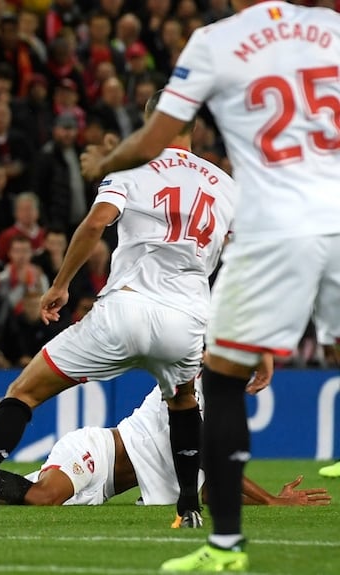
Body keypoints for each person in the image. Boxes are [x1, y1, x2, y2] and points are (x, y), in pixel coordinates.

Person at [78, 2, 340, 571]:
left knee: (217, 386)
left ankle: (224, 548)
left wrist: (108, 158)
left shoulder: (214, 44)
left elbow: (154, 137)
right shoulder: (329, 34)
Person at [0, 90, 238, 534]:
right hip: (186, 323)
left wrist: (61, 283)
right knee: (181, 402)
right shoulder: (225, 185)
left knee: (23, 392)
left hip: (125, 311)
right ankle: (187, 507)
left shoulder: (131, 165)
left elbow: (96, 223)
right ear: (194, 127)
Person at [0, 383, 332, 510]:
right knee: (40, 496)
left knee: (3, 500)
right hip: (93, 451)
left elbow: (205, 489)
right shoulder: (193, 387)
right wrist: (272, 499)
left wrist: (266, 502)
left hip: (99, 488)